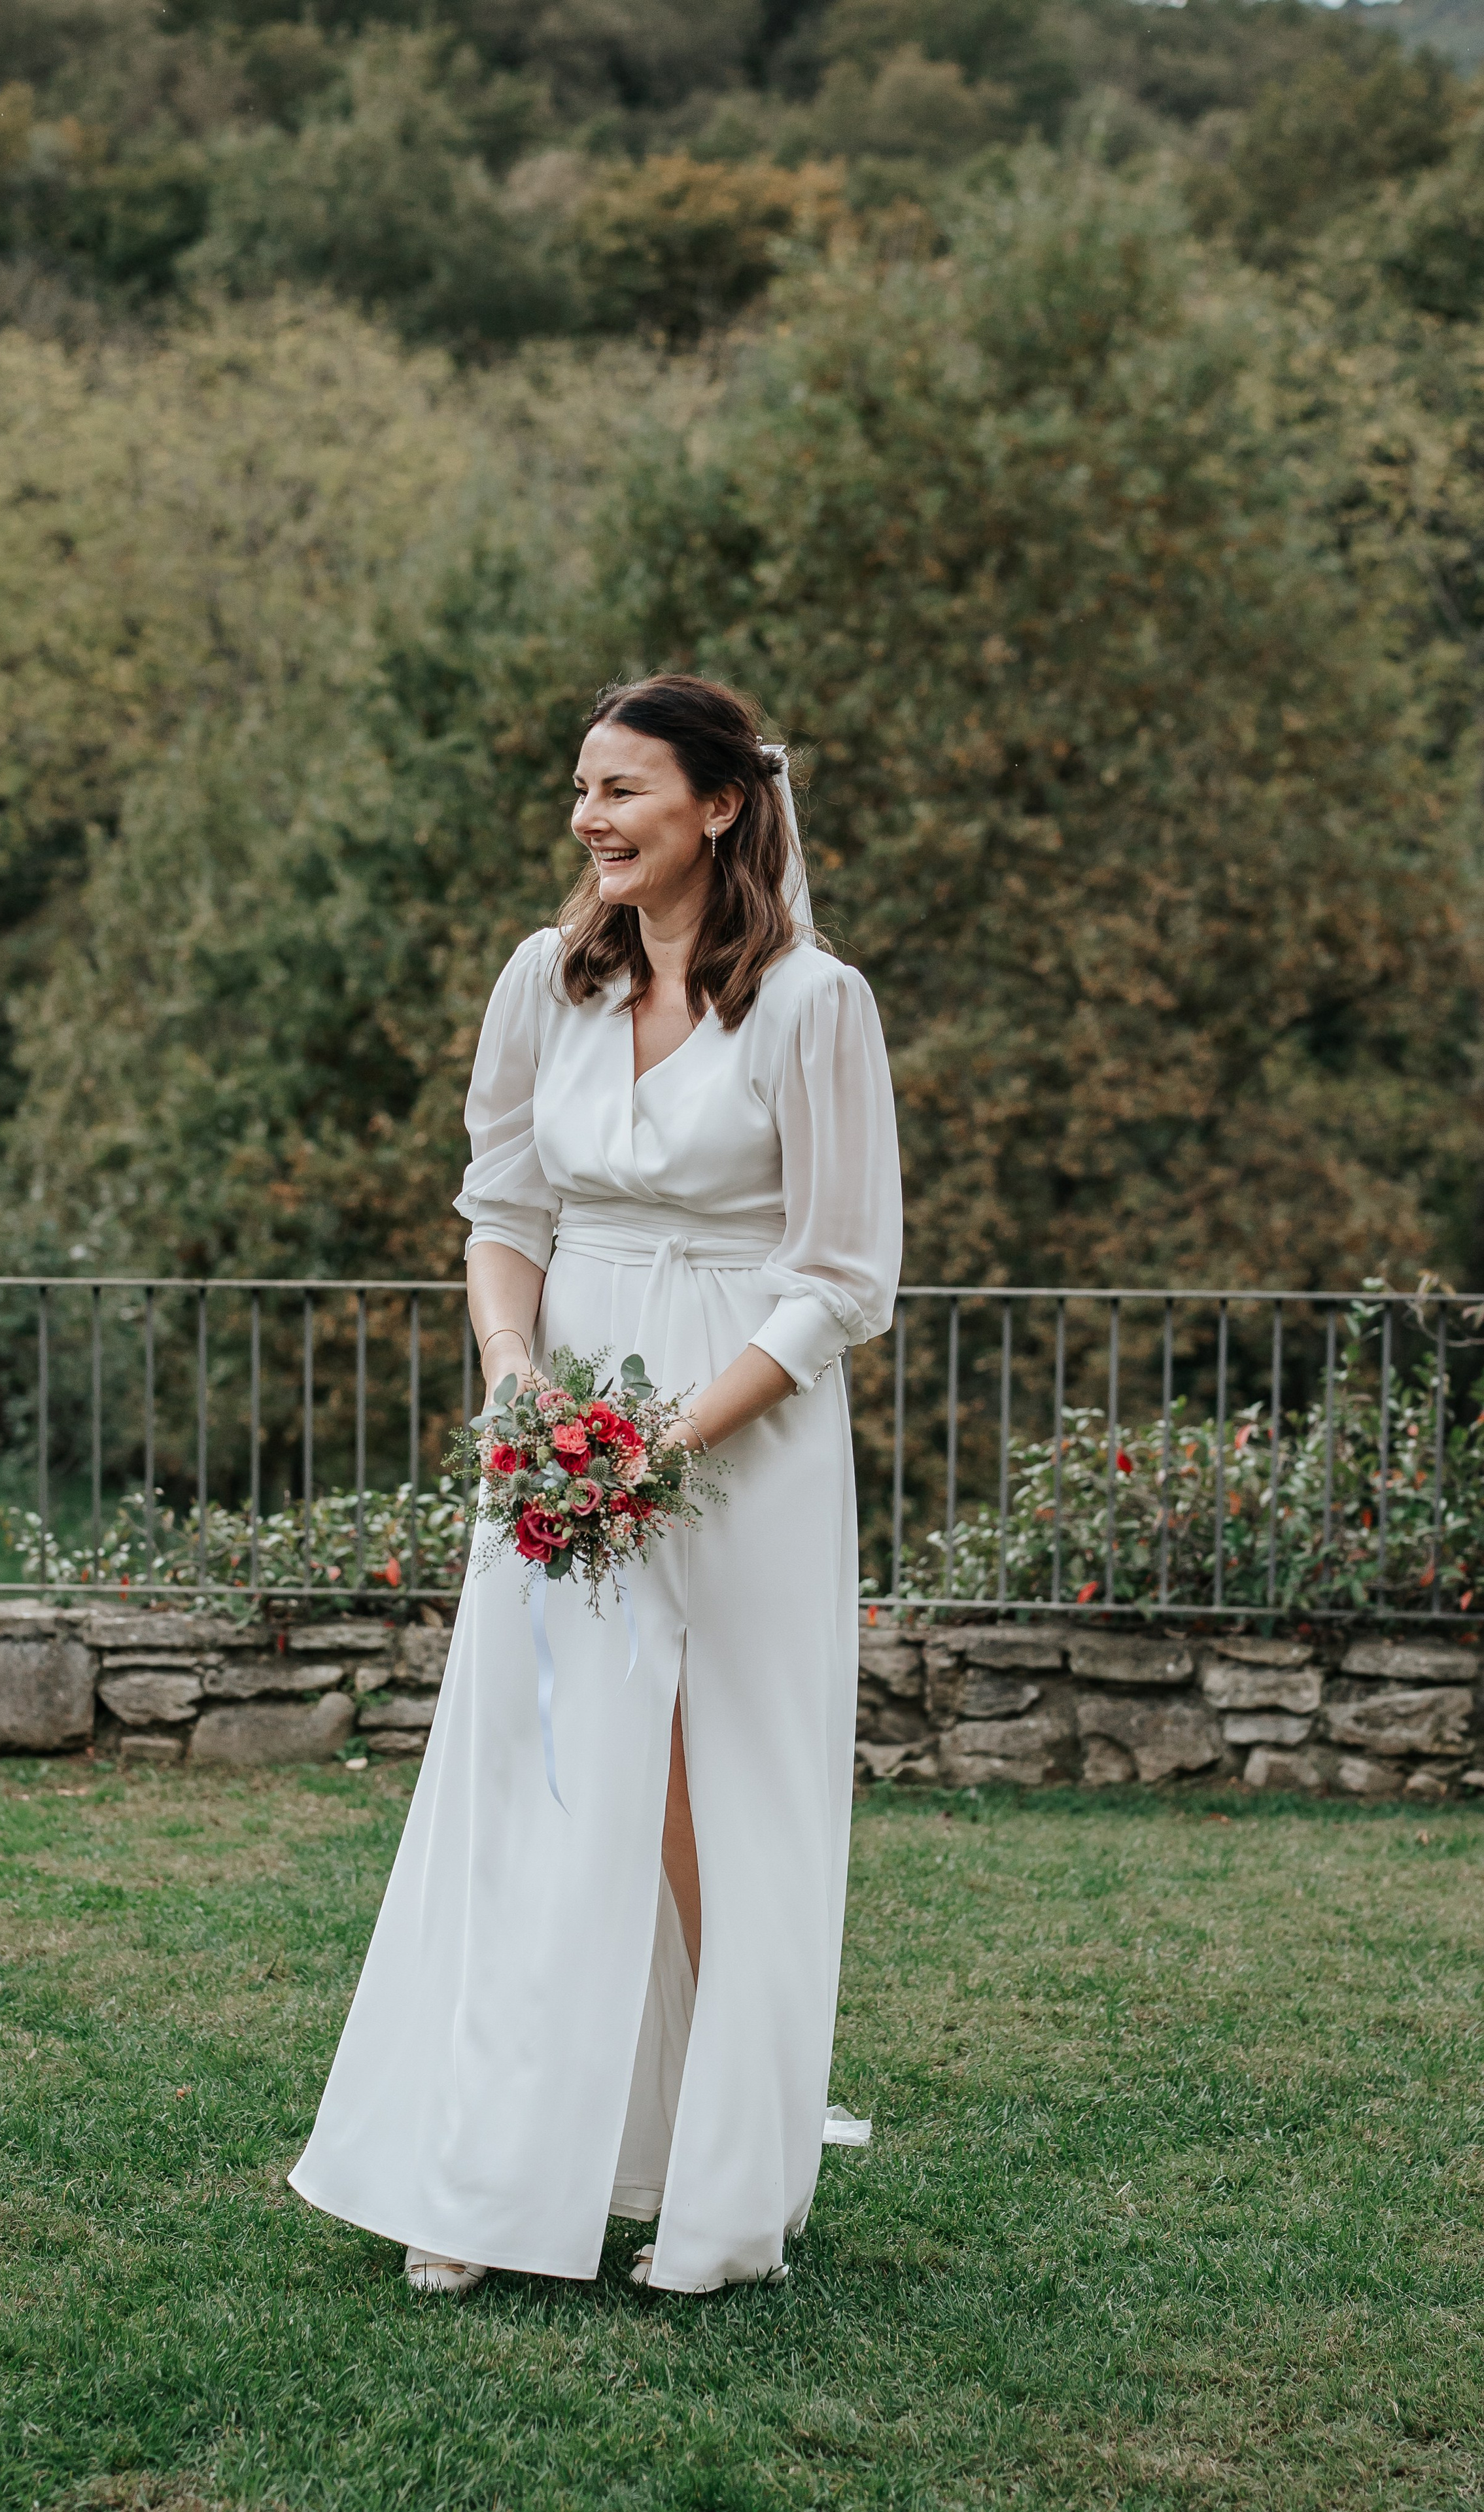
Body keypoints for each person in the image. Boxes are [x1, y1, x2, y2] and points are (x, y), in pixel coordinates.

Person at [288, 674, 903, 2294]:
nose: (588, 819)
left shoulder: (814, 1004)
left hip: (741, 1433)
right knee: (542, 1773)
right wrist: (514, 1381)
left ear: (717, 805)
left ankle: (721, 2186)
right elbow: (501, 1203)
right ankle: (487, 2174)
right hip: (554, 1425)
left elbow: (841, 1276)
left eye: (622, 790)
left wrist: (667, 1443)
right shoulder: (539, 982)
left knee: (724, 1795)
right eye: (579, 789)